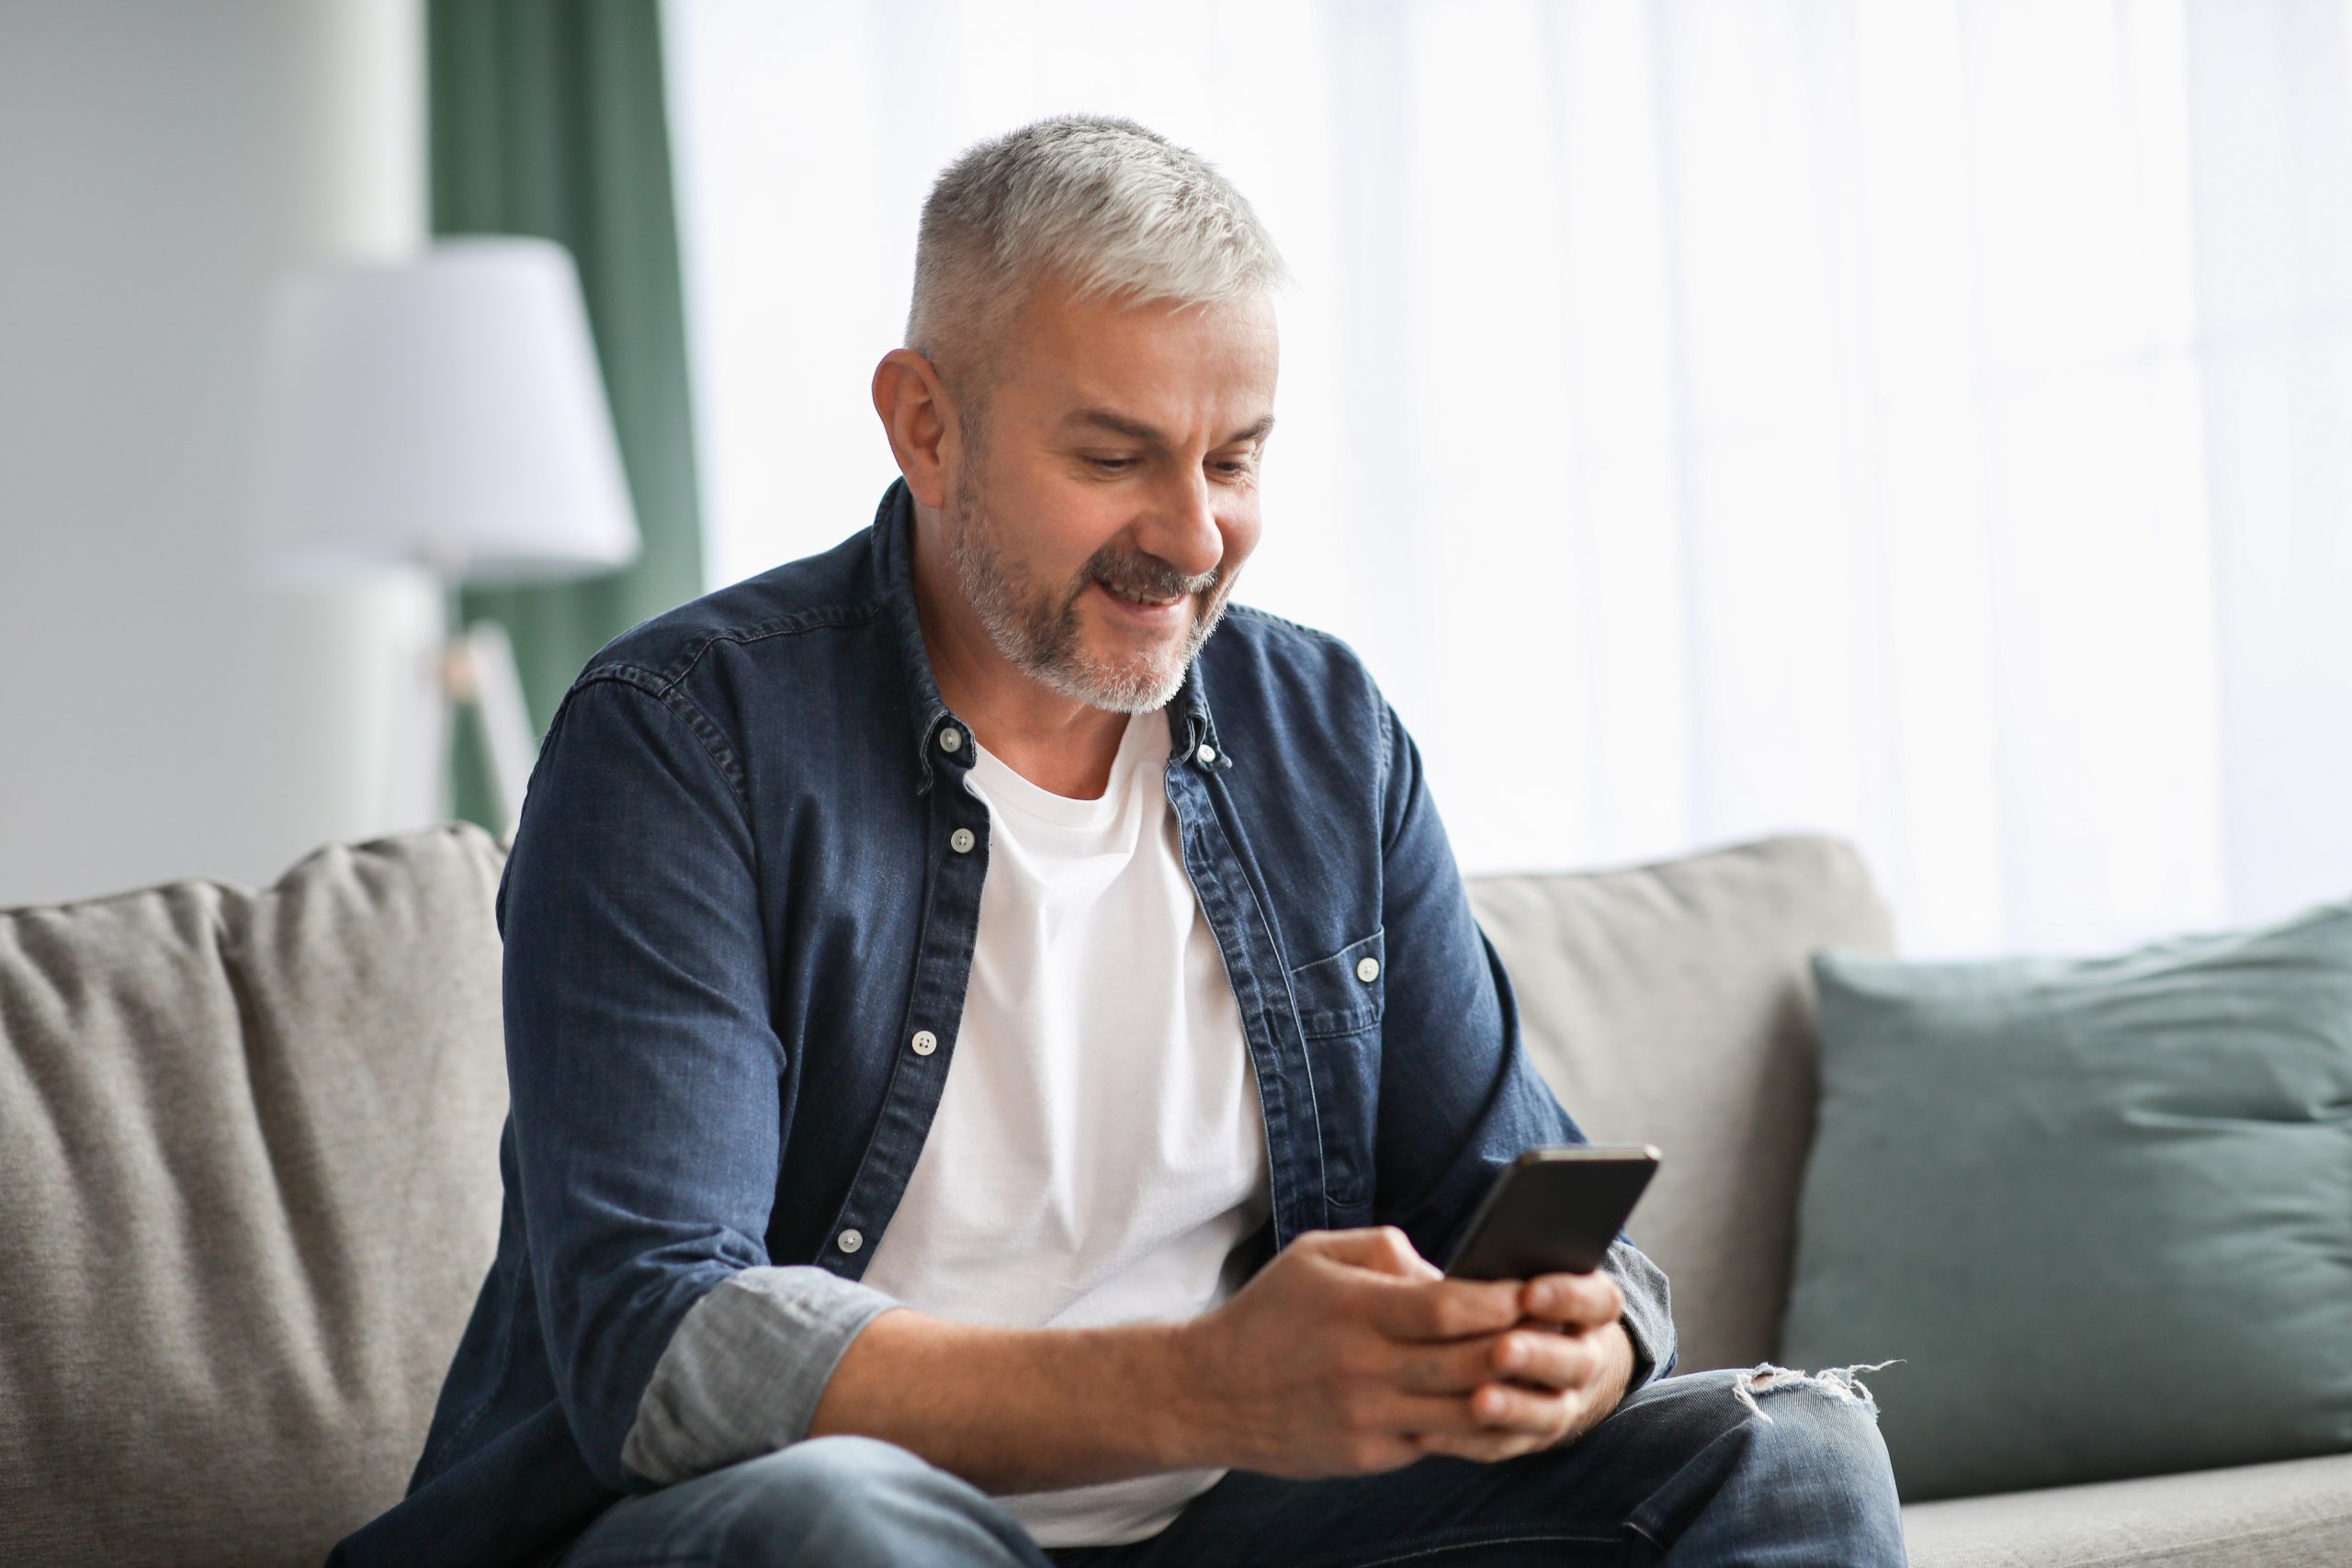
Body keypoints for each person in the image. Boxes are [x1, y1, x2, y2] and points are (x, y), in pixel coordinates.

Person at [329, 115, 1906, 1568]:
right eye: (1115, 457)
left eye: (1234, 460)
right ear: (925, 426)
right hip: (784, 1528)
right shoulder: (682, 739)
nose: (1195, 535)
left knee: (1791, 1455)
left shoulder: (1322, 733)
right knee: (842, 1526)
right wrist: (1210, 1390)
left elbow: (1533, 1198)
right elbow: (657, 1349)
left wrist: (1585, 1343)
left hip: (1224, 1533)